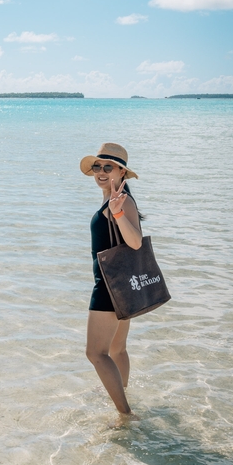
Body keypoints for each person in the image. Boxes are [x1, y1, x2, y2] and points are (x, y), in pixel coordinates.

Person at [80, 143, 142, 421]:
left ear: (121, 173)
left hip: (108, 286)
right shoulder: (112, 198)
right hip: (121, 283)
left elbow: (136, 242)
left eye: (108, 167)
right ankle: (122, 395)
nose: (101, 172)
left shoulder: (121, 201)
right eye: (97, 166)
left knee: (96, 353)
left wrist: (117, 212)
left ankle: (125, 414)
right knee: (116, 348)